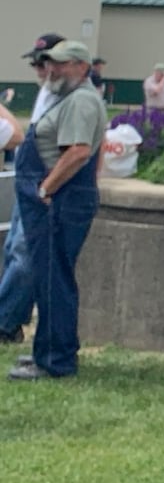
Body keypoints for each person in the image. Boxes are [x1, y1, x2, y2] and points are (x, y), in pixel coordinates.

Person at [7, 40, 108, 380]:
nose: (51, 69)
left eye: (61, 64)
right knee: (49, 278)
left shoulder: (80, 100)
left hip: (59, 203)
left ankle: (55, 361)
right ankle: (47, 351)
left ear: (82, 66)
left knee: (54, 281)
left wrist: (45, 188)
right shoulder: (70, 98)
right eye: (49, 63)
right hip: (58, 201)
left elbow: (78, 152)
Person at [0, 33, 65, 346]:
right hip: (29, 179)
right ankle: (11, 322)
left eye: (45, 62)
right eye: (36, 63)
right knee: (14, 249)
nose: (40, 69)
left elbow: (15, 135)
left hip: (44, 183)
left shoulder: (72, 97)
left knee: (24, 255)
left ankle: (3, 323)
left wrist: (47, 187)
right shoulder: (47, 92)